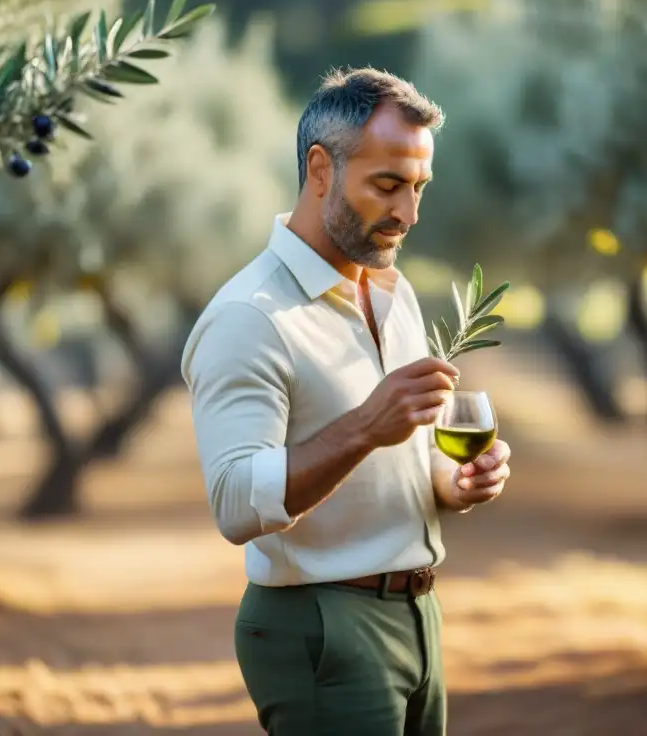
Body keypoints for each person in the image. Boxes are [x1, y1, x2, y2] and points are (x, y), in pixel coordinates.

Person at [181, 66, 512, 735]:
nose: (409, 213)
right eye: (387, 185)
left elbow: (406, 464)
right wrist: (365, 426)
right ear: (320, 169)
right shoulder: (250, 315)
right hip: (321, 626)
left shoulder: (394, 293)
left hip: (417, 617)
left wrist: (456, 482)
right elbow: (237, 502)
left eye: (419, 188)